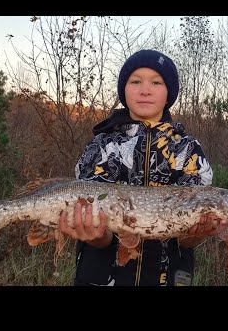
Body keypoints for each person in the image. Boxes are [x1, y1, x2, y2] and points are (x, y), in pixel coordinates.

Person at [58, 49, 217, 286]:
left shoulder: (188, 150)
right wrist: (97, 235)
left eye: (156, 82)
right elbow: (98, 234)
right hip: (100, 278)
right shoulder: (102, 145)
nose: (145, 89)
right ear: (124, 89)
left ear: (169, 93)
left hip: (167, 278)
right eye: (135, 81)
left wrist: (196, 235)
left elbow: (186, 241)